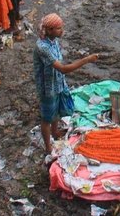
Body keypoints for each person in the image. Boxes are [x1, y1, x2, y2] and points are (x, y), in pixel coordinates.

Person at [34, 13, 98, 152]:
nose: (62, 30)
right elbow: (62, 68)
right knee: (46, 118)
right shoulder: (42, 47)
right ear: (50, 30)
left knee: (55, 111)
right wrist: (86, 60)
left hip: (57, 82)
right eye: (58, 28)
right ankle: (48, 147)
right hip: (48, 87)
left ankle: (55, 132)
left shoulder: (53, 41)